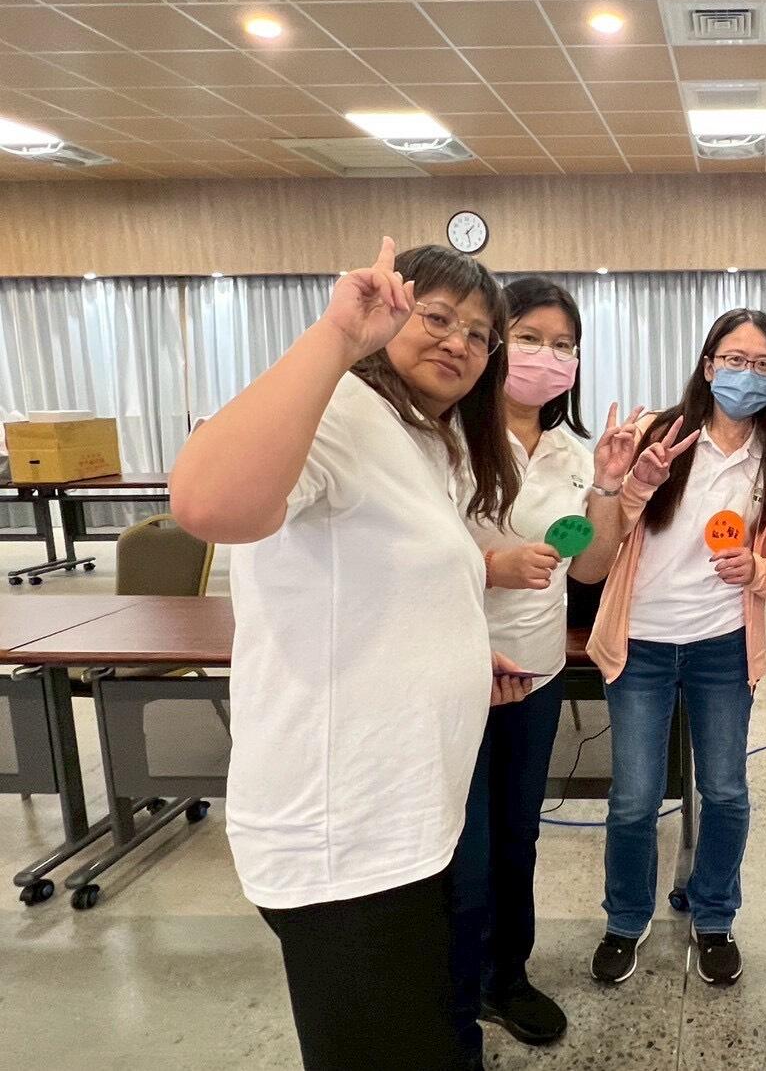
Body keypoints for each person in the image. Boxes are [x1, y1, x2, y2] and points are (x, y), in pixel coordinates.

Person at [170, 239, 531, 1071]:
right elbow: (208, 502)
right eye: (437, 317)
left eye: (479, 335)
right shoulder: (338, 411)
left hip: (407, 821)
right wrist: (335, 337)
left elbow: (381, 583)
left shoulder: (422, 439)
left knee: (428, 1036)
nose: (459, 343)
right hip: (346, 837)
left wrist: (461, 657)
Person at [448, 277, 645, 1049]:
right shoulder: (448, 438)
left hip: (533, 672)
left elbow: (587, 566)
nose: (547, 356)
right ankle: (453, 986)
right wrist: (487, 568)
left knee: (516, 834)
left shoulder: (571, 454)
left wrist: (608, 485)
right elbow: (406, 554)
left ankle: (506, 975)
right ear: (495, 343)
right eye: (529, 338)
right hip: (453, 666)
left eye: (563, 345)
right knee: (461, 844)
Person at [585, 308, 766, 987]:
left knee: (726, 791)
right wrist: (632, 482)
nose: (746, 374)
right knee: (634, 798)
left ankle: (714, 916)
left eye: (761, 365)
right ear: (708, 366)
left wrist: (756, 571)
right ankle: (626, 920)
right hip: (641, 645)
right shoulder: (658, 435)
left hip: (722, 648)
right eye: (734, 359)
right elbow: (600, 546)